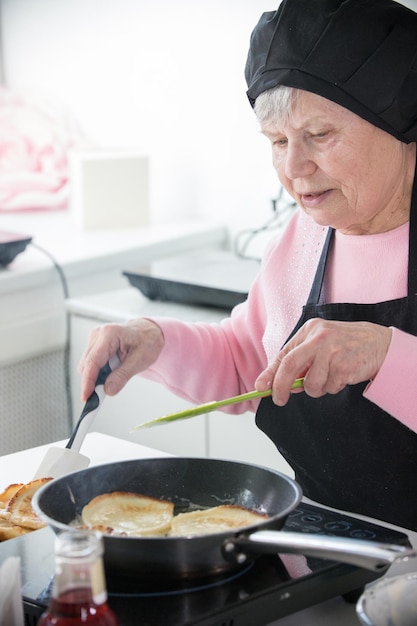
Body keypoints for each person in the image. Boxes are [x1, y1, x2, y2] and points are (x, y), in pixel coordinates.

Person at [79, 0, 417, 531]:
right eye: (277, 142)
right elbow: (248, 361)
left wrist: (384, 354)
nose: (293, 168)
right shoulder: (304, 237)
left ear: (400, 122)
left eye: (320, 135)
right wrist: (153, 339)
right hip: (331, 552)